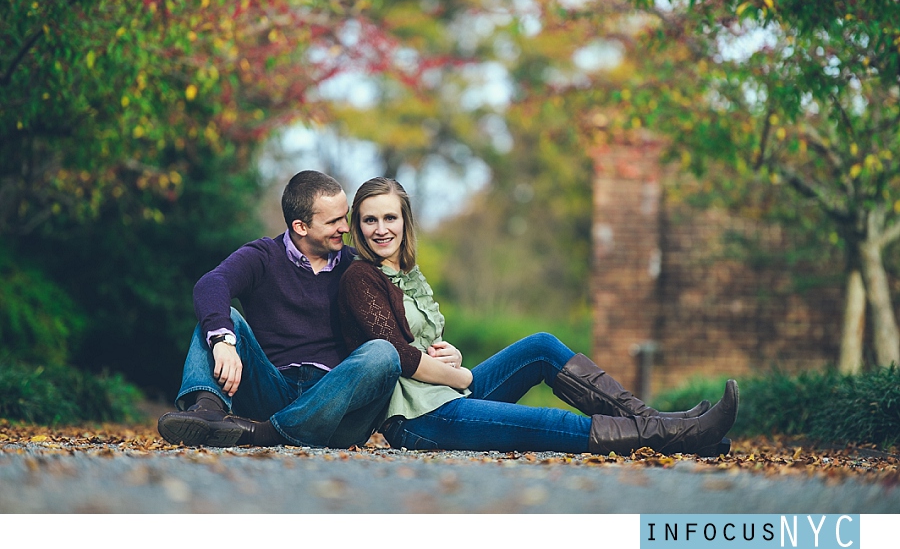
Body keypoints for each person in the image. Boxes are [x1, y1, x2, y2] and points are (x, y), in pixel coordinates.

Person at [338, 177, 738, 455]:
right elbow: (397, 355)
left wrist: (454, 356)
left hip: (442, 394)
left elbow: (418, 343)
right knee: (547, 422)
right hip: (418, 418)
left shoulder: (403, 273)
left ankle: (660, 424)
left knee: (541, 346)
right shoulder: (360, 276)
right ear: (357, 225)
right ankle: (677, 433)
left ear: (405, 221)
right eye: (370, 219)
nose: (380, 229)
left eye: (390, 218)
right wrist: (462, 375)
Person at [157, 170, 401, 448]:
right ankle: (207, 413)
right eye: (333, 221)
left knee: (383, 353)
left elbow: (399, 323)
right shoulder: (263, 256)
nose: (345, 228)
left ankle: (264, 435)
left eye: (344, 217)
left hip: (335, 408)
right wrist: (223, 341)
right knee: (221, 320)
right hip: (271, 392)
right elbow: (212, 284)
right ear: (301, 227)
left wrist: (443, 352)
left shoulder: (358, 266)